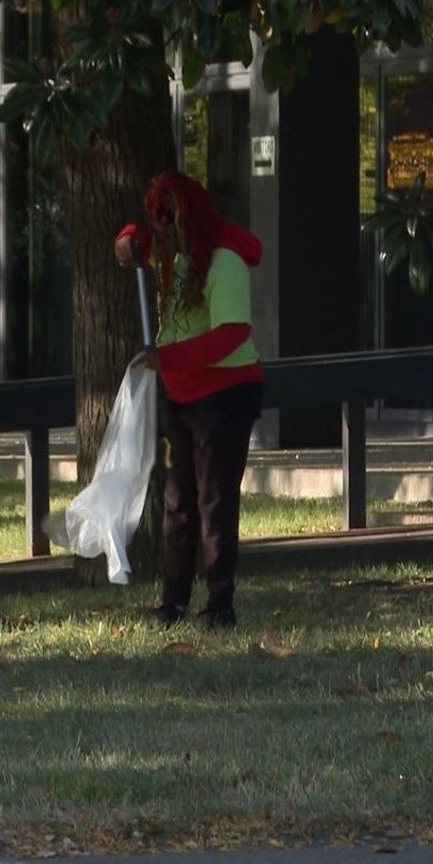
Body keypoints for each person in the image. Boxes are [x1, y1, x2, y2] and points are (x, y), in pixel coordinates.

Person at [114, 171, 264, 630]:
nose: (165, 238)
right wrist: (130, 239)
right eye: (161, 229)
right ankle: (174, 601)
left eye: (171, 227)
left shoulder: (225, 263)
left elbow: (233, 333)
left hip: (225, 394)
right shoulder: (179, 256)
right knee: (178, 501)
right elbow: (138, 242)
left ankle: (221, 603)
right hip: (182, 394)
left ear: (188, 221)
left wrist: (171, 358)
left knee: (214, 501)